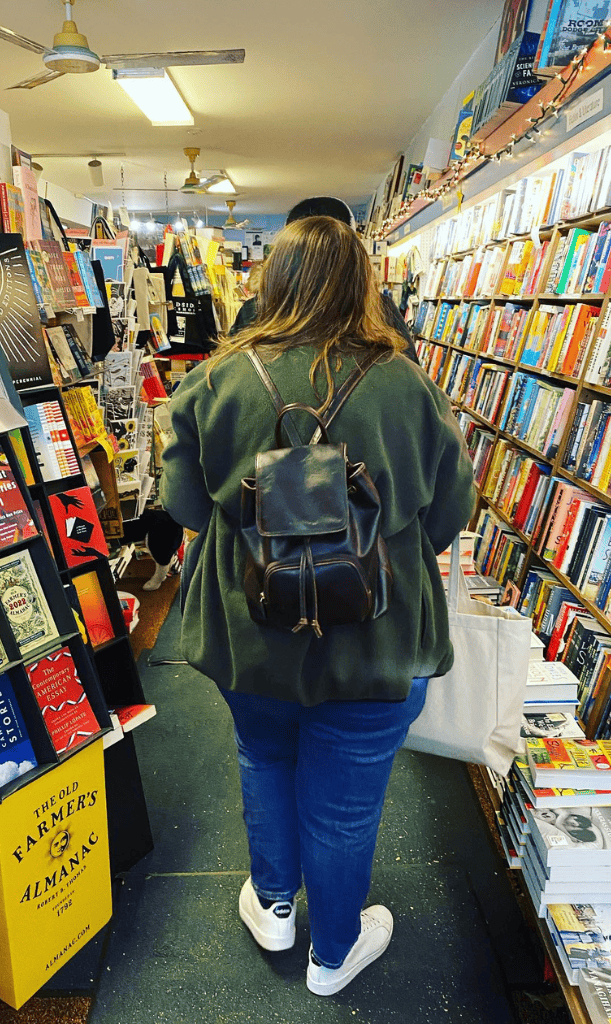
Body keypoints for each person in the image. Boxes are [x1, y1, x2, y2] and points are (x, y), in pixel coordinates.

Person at [160, 215, 475, 996]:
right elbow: (448, 511)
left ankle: (273, 905)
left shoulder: (219, 376)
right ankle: (333, 953)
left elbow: (187, 507)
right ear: (361, 282)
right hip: (377, 636)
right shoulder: (405, 381)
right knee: (346, 802)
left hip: (248, 631)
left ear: (273, 282)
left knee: (263, 756)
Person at [229, 196, 419, 365]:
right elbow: (412, 379)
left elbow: (230, 372)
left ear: (283, 254)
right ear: (354, 253)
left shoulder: (257, 308)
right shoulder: (377, 307)